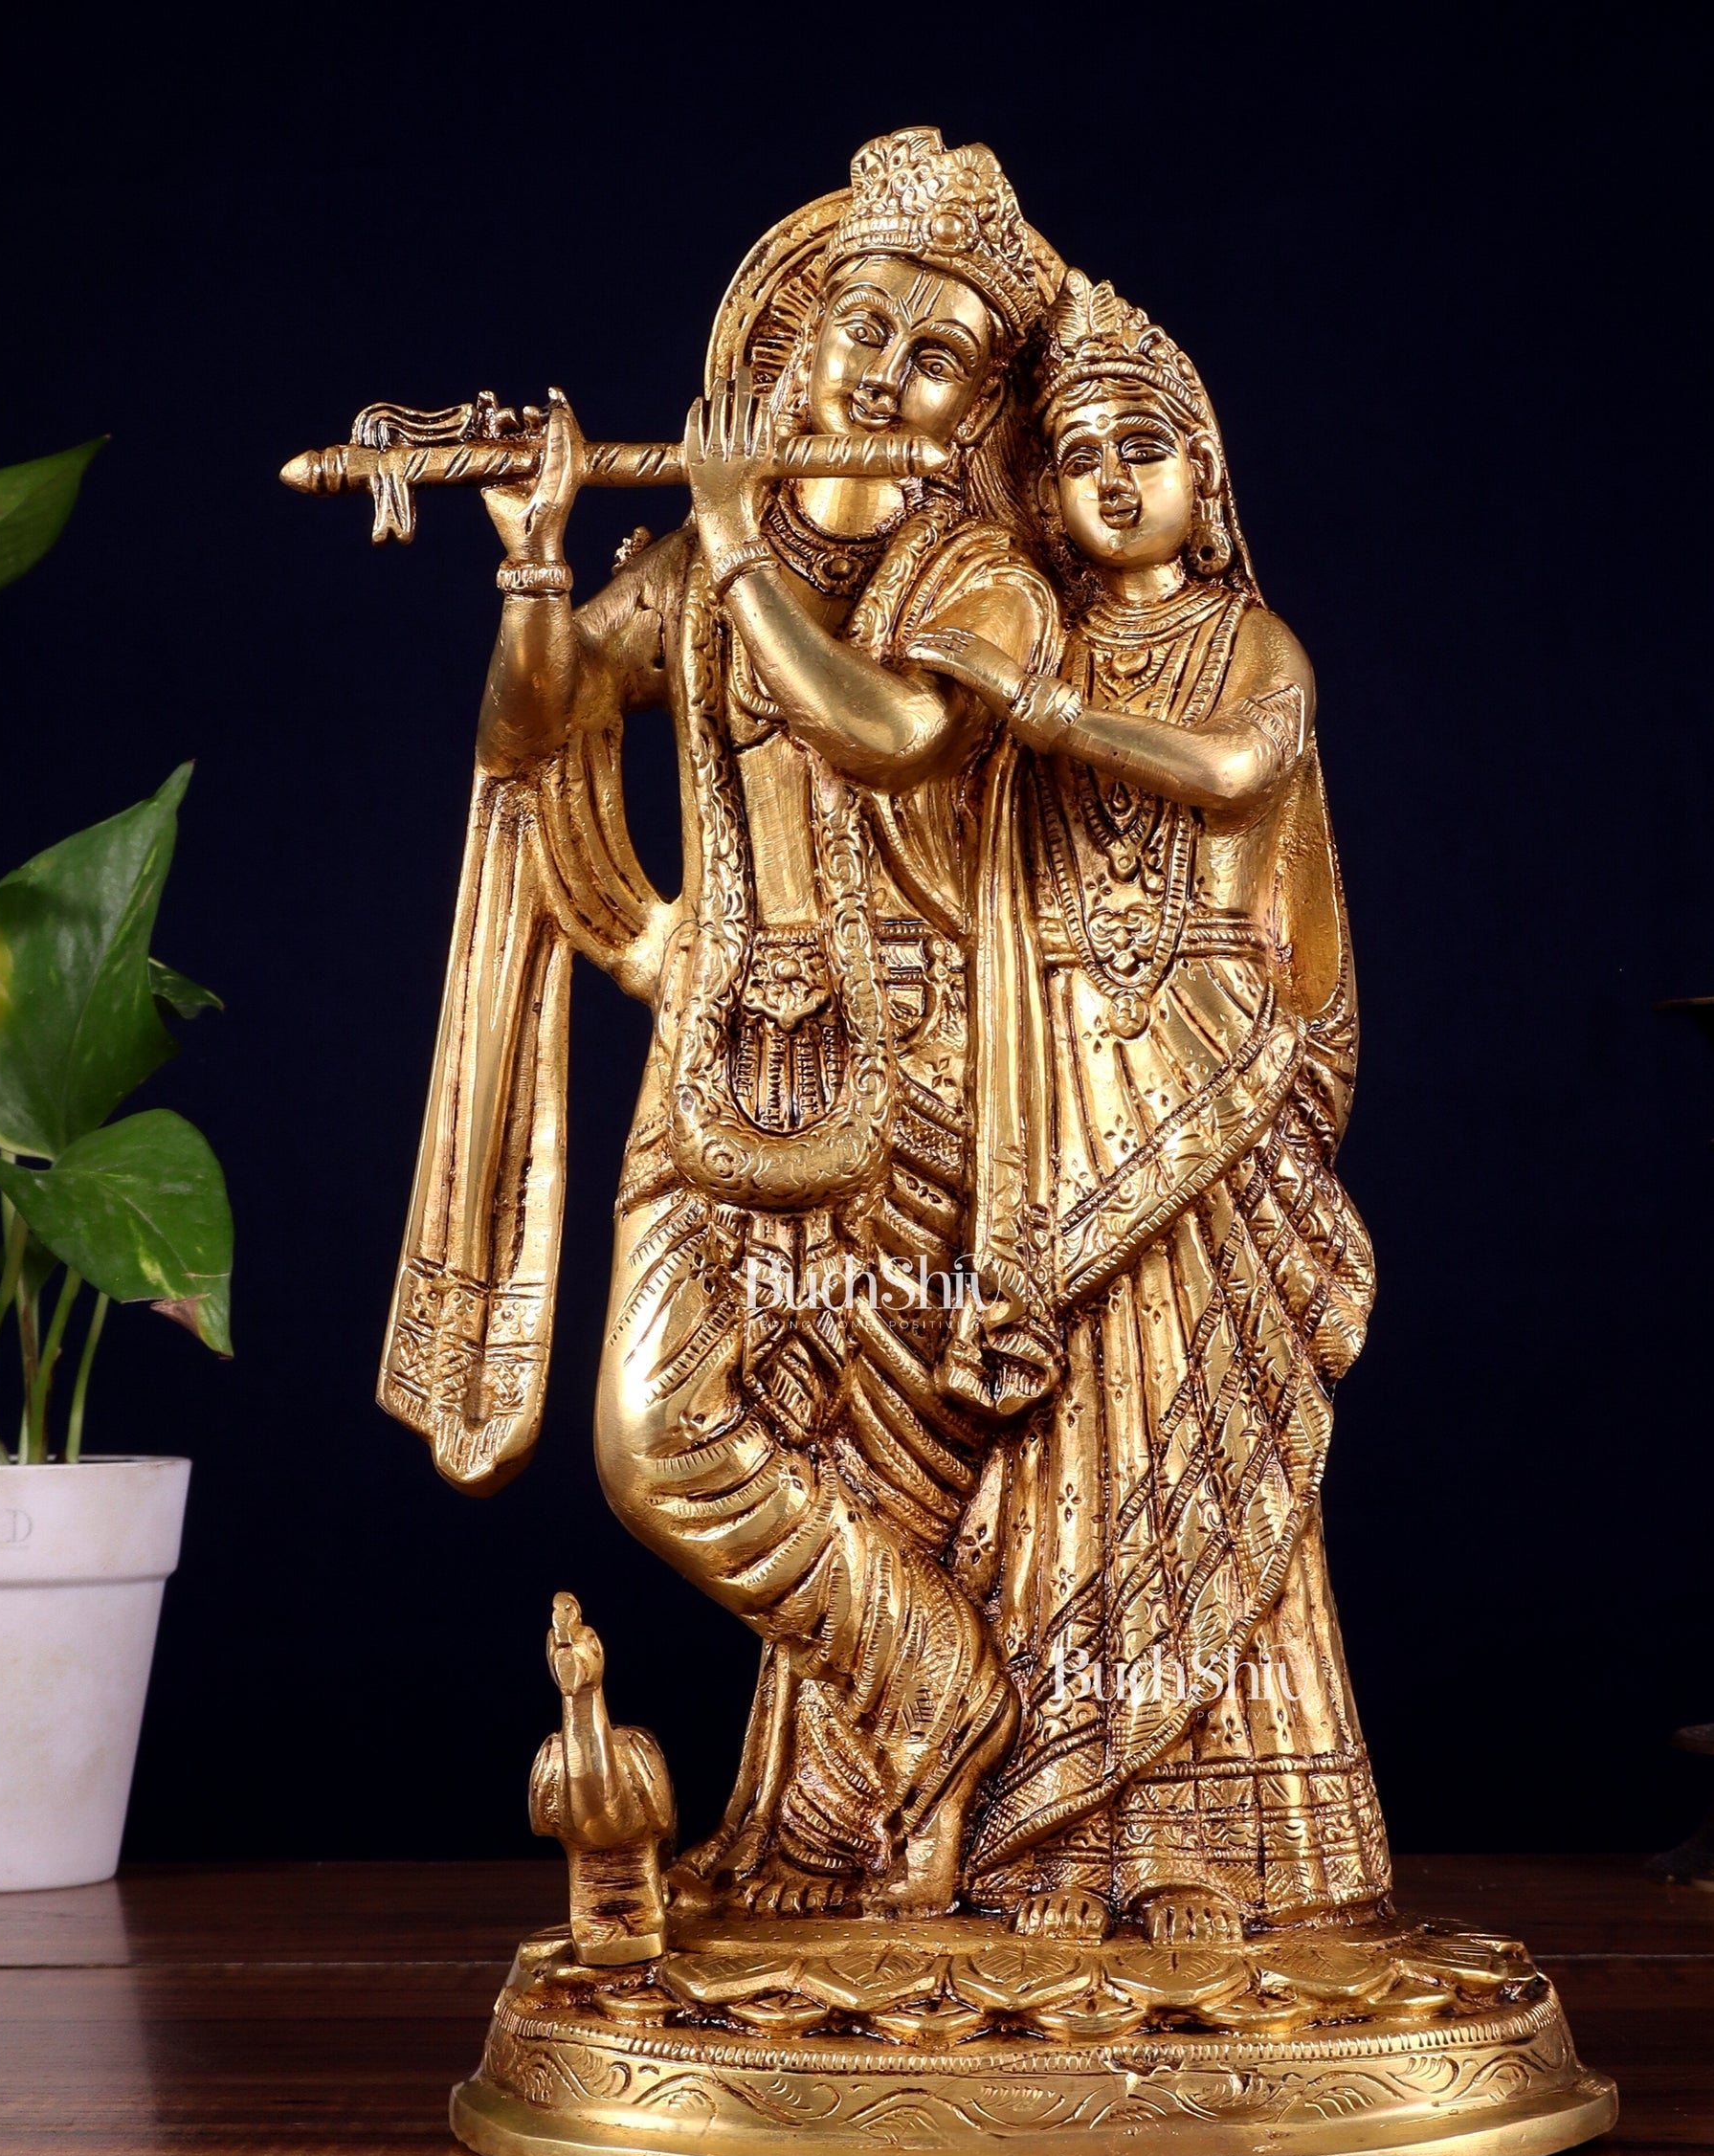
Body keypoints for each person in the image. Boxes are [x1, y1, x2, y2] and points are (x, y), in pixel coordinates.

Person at [380, 130, 1062, 1916]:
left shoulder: (980, 581)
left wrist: (741, 540)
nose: (887, 375)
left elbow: (891, 736)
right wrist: (536, 563)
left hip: (931, 1090)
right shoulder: (690, 572)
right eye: (865, 329)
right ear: (795, 342)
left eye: (938, 358)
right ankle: (935, 1686)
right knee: (656, 1444)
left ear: (976, 407)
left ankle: (899, 1804)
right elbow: (534, 730)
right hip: (719, 1068)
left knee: (906, 1464)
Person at [908, 274, 1390, 1942]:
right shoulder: (1030, 630)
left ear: (1204, 470)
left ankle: (1222, 1835)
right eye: (1076, 457)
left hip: (1216, 1070)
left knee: (1215, 1426)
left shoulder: (1250, 643)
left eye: (1142, 448)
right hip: (1062, 1087)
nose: (1111, 482)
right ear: (1041, 494)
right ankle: (1062, 1823)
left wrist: (1040, 714)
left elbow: (1238, 769)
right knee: (1077, 1446)